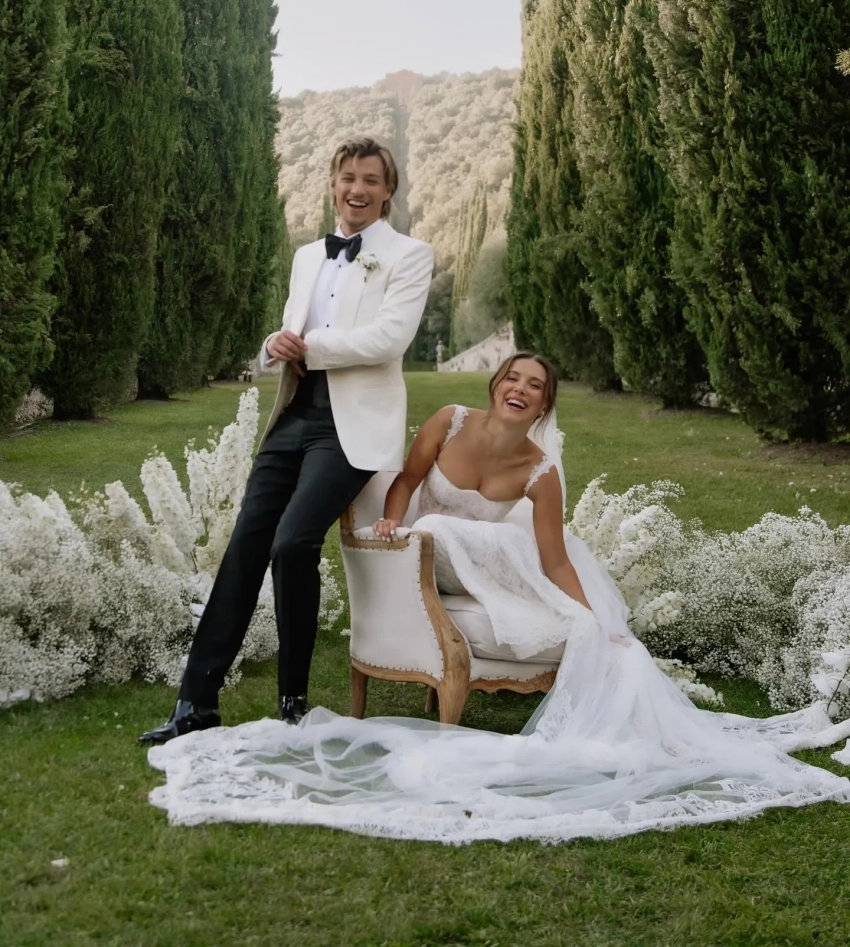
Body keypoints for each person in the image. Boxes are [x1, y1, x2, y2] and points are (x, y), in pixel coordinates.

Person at [146, 354, 850, 844]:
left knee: (555, 602)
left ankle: (589, 639)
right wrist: (392, 521)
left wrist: (595, 617)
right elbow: (406, 480)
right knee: (436, 526)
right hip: (430, 555)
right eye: (513, 377)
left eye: (534, 386)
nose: (520, 389)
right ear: (495, 385)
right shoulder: (449, 421)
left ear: (543, 405)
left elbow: (553, 558)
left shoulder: (541, 472)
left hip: (497, 568)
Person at [139, 136, 434, 744]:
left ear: (388, 190)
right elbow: (291, 329)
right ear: (332, 184)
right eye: (347, 177)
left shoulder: (409, 255)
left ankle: (293, 703)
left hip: (351, 429)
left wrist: (310, 346)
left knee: (293, 542)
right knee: (246, 546)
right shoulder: (307, 257)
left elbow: (390, 339)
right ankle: (195, 703)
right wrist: (275, 344)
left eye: (371, 179)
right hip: (295, 413)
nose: (357, 189)